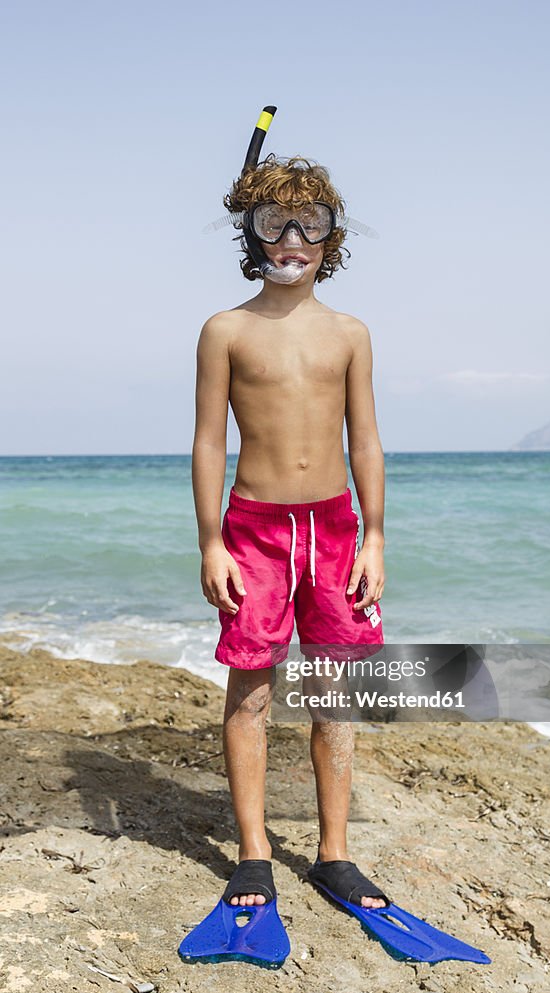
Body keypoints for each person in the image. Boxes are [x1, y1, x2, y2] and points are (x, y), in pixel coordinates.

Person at [191, 151, 388, 915]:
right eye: (275, 223)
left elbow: (364, 440)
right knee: (250, 688)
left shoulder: (349, 333)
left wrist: (374, 536)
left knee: (333, 692)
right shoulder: (225, 330)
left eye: (311, 224)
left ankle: (333, 853)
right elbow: (210, 441)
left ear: (333, 238)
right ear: (252, 233)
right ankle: (253, 852)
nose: (293, 238)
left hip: (335, 527)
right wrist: (211, 540)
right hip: (255, 529)